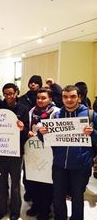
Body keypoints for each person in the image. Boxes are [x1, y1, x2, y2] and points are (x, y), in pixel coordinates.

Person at [38, 85, 97, 220]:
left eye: (72, 96)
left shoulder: (90, 115)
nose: (69, 100)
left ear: (79, 98)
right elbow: (48, 139)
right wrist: (41, 134)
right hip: (59, 165)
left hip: (81, 166)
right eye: (65, 97)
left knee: (77, 198)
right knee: (58, 198)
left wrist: (92, 133)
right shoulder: (56, 115)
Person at [0, 83, 28, 220]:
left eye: (11, 93)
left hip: (16, 152)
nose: (8, 96)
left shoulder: (23, 109)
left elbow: (26, 133)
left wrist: (22, 127)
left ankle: (15, 210)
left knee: (15, 183)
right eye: (6, 94)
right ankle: (1, 209)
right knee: (0, 181)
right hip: (0, 150)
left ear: (16, 93)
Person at [27, 87, 60, 220]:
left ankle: (45, 210)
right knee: (33, 180)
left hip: (50, 151)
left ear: (50, 99)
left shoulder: (56, 112)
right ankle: (35, 204)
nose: (40, 100)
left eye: (43, 98)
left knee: (46, 182)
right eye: (38, 98)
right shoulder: (31, 111)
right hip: (33, 150)